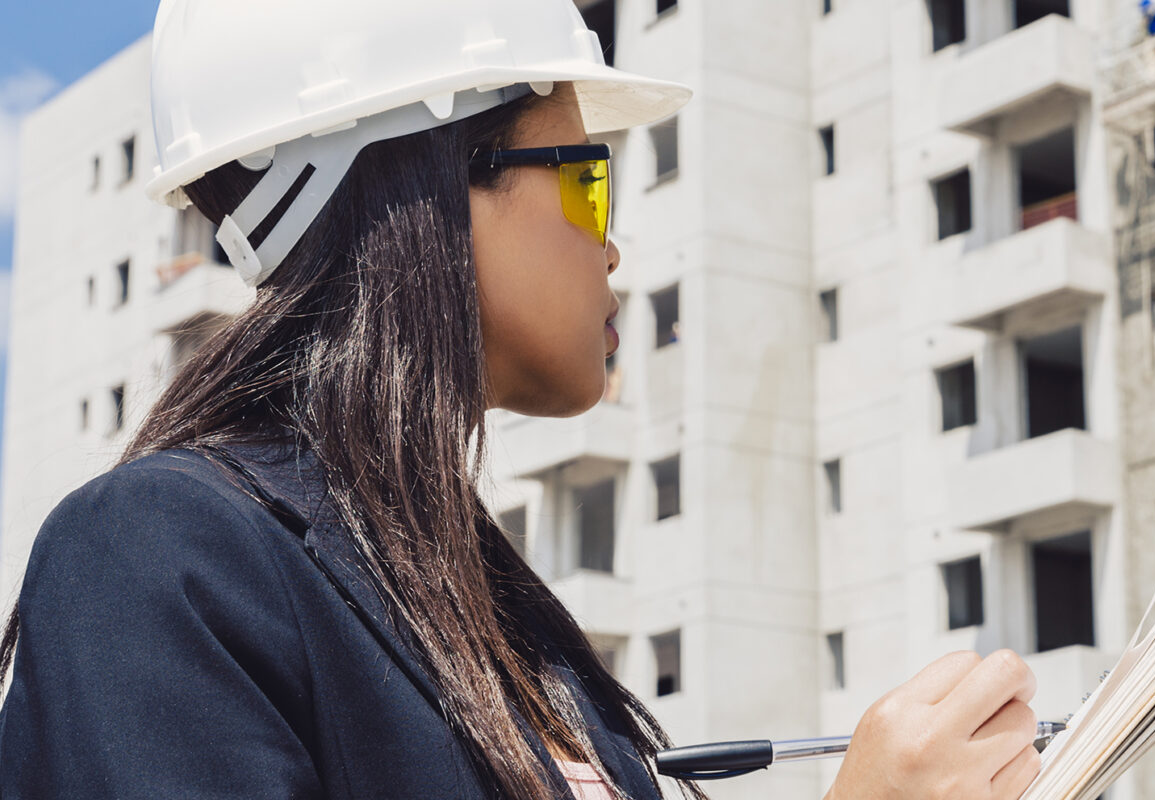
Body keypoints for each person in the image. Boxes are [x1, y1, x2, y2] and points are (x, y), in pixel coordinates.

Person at [0, 1, 1043, 798]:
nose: (614, 241)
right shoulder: (156, 557)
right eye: (591, 180)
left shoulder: (497, 624)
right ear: (430, 184)